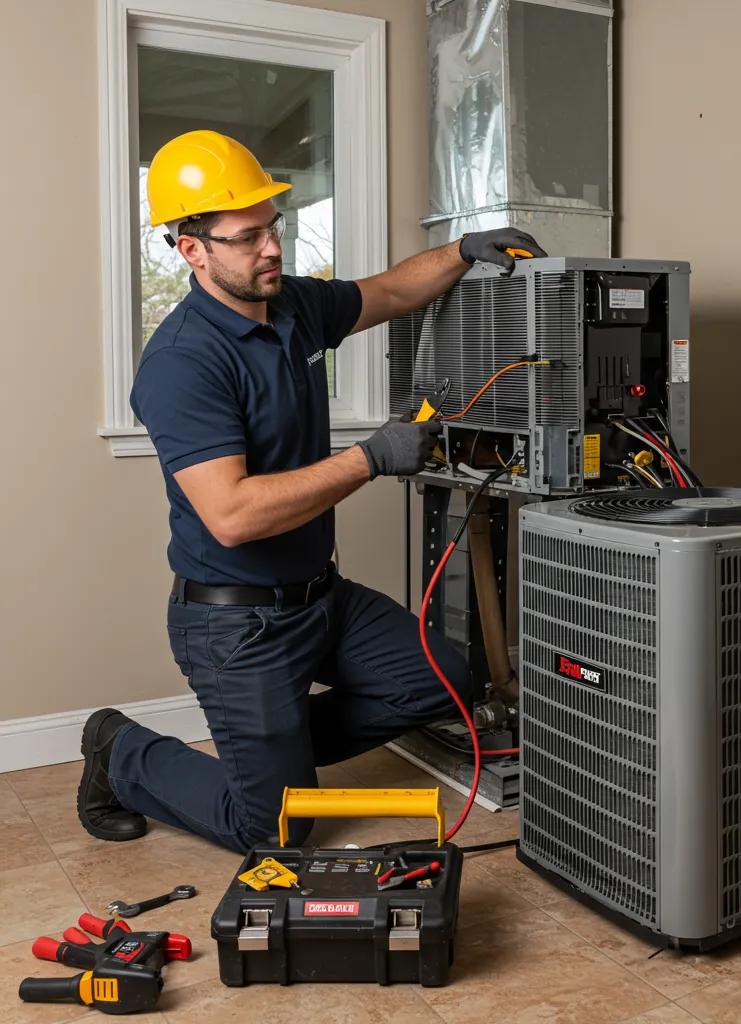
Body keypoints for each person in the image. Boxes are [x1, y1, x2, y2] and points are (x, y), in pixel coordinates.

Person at [76, 130, 546, 852]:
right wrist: (369, 458)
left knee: (444, 677)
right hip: (238, 625)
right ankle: (120, 750)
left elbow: (388, 291)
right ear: (191, 249)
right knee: (274, 832)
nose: (270, 248)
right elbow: (231, 515)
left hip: (320, 598)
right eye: (245, 237)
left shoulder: (290, 305)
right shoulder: (180, 363)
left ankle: (275, 750)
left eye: (273, 227)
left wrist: (460, 250)